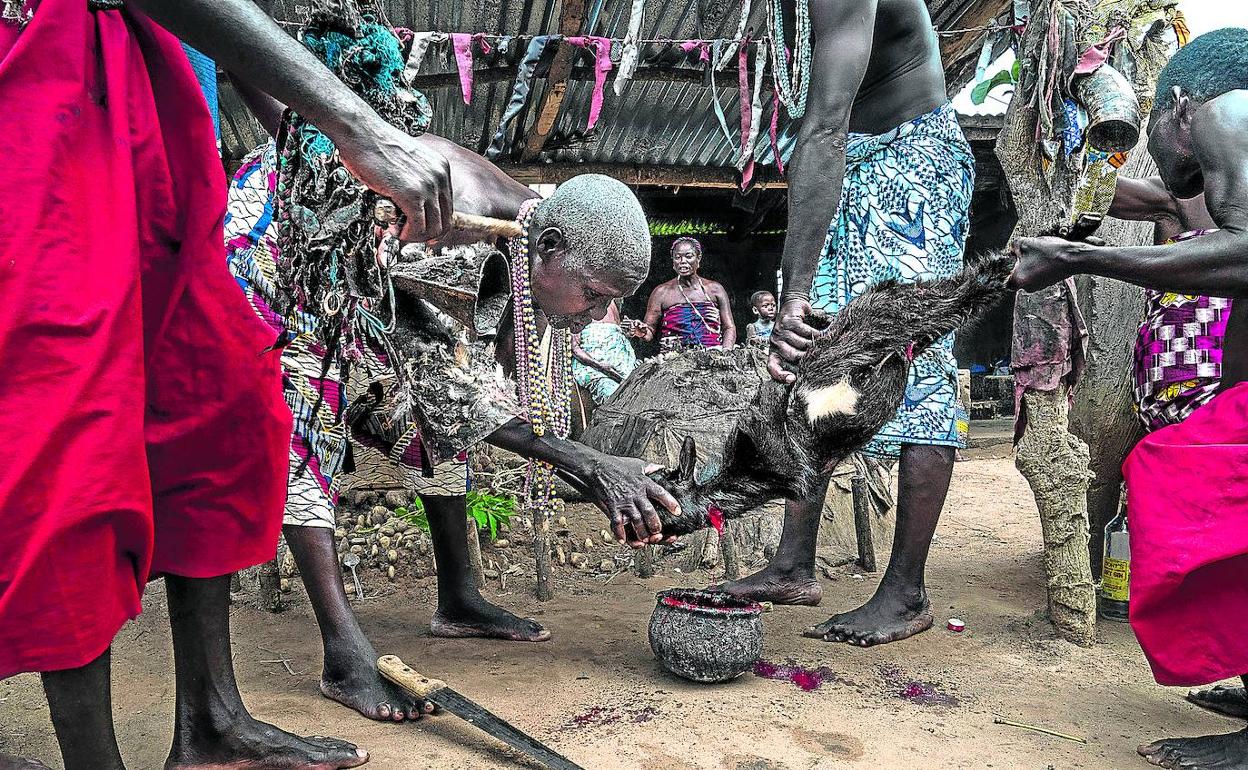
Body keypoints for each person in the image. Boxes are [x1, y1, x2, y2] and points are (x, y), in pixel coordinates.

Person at [0, 0, 456, 766]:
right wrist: (357, 125)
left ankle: (210, 720)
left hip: (156, 100)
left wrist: (311, 135)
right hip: (49, 86)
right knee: (72, 429)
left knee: (218, 402)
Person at [228, 75, 677, 722]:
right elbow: (452, 392)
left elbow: (462, 383)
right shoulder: (456, 225)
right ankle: (345, 656)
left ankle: (458, 601)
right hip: (283, 254)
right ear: (550, 250)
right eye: (595, 295)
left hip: (369, 289)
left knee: (430, 441)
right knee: (309, 400)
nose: (601, 313)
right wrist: (588, 463)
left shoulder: (529, 227)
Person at [1010, 27, 1248, 769]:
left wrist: (1082, 256)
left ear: (1178, 104)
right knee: (1191, 498)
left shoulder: (1226, 113)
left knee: (1182, 492)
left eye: (1153, 127)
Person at [725, 0, 975, 648]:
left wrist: (793, 295)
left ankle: (906, 592)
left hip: (913, 163)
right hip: (857, 170)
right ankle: (792, 564)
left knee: (913, 376)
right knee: (814, 371)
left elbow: (825, 126)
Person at [633, 237, 737, 351]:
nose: (683, 261)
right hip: (673, 359)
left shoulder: (715, 290)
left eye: (688, 256)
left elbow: (729, 327)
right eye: (677, 257)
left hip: (712, 356)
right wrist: (641, 332)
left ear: (698, 258)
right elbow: (649, 331)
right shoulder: (661, 292)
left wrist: (726, 352)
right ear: (673, 262)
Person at [572, 300, 638, 405]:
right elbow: (575, 348)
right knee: (615, 400)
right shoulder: (577, 301)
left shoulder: (613, 301)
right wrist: (601, 366)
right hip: (596, 371)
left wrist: (628, 330)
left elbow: (616, 333)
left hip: (625, 366)